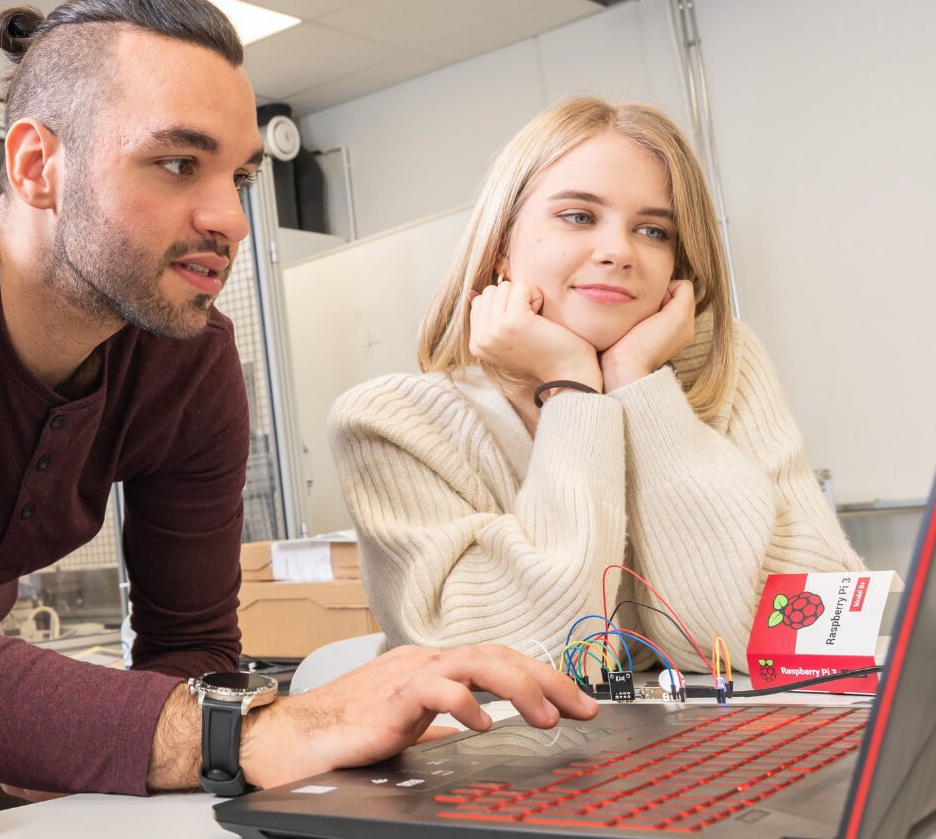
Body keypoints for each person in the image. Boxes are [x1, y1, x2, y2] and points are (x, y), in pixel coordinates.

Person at [0, 0, 597, 801]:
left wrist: (142, 747)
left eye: (237, 174)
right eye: (175, 163)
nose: (225, 218)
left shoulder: (187, 356)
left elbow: (189, 649)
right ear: (38, 166)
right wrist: (265, 729)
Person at [329, 97, 863, 673]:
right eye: (579, 217)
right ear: (502, 246)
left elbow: (825, 637)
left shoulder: (726, 371)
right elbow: (546, 662)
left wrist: (639, 388)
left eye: (653, 230)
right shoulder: (390, 423)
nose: (618, 252)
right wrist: (574, 392)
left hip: (707, 746)